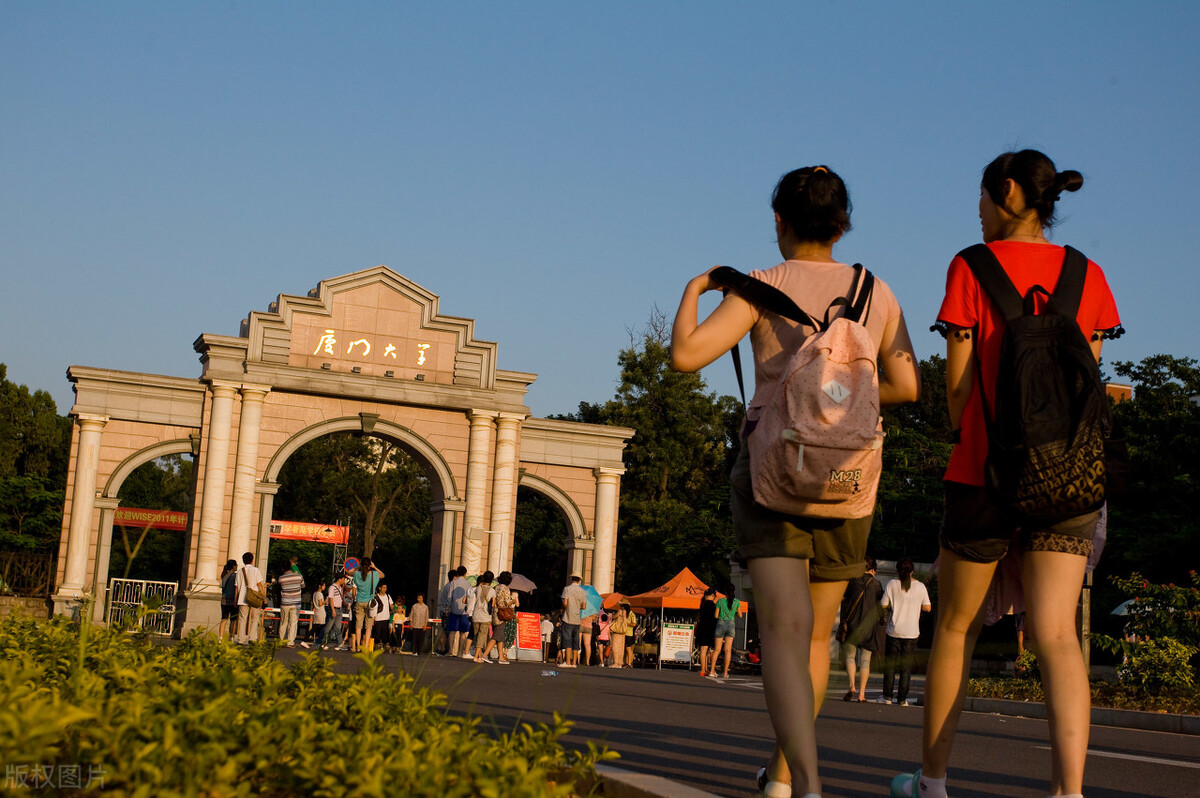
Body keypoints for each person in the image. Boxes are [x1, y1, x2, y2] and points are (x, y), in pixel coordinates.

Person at [671, 165, 919, 798]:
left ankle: (802, 784)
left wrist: (697, 288)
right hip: (847, 477)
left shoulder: (761, 287)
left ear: (779, 221)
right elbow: (906, 385)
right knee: (815, 636)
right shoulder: (877, 292)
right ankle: (782, 777)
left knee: (782, 628)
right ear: (842, 223)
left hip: (773, 473)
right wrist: (840, 400)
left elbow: (686, 356)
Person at [892, 150, 1121, 798]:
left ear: (1010, 193)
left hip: (983, 473)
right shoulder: (1088, 274)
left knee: (956, 628)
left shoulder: (971, 266)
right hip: (1068, 480)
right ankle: (1069, 792)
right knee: (1058, 636)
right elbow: (1087, 385)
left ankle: (934, 783)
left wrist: (971, 422)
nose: (978, 210)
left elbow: (959, 391)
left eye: (983, 196)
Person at [877, 558, 930, 706]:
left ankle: (887, 697)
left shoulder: (892, 584)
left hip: (894, 630)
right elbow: (927, 607)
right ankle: (902, 699)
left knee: (890, 666)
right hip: (912, 632)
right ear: (912, 571)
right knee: (906, 667)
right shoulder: (920, 586)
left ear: (897, 570)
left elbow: (883, 604)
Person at [840, 557, 884, 702]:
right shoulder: (877, 584)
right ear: (873, 569)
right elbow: (881, 606)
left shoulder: (852, 582)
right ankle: (862, 694)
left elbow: (844, 601)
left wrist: (843, 621)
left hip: (852, 625)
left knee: (850, 657)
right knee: (865, 661)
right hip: (869, 628)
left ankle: (852, 686)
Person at [350, 557, 384, 652]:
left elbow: (349, 571)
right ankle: (366, 646)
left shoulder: (357, 574)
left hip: (359, 601)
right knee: (368, 626)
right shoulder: (374, 574)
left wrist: (357, 566)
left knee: (358, 625)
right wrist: (374, 567)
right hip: (370, 603)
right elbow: (383, 575)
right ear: (370, 565)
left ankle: (358, 646)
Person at [708, 582, 741, 679]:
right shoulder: (737, 602)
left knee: (717, 650)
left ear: (725, 591)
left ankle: (712, 671)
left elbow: (716, 615)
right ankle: (726, 673)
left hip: (721, 624)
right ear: (734, 591)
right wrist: (733, 612)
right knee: (728, 650)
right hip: (731, 624)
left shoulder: (720, 601)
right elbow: (740, 615)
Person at [482, 571, 515, 664]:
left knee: (500, 637)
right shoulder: (506, 589)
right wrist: (513, 601)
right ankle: (485, 654)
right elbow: (507, 603)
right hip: (502, 614)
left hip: (494, 613)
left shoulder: (495, 587)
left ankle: (500, 657)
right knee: (496, 636)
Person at [236, 552, 266, 645]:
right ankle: (252, 638)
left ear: (243, 560)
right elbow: (259, 584)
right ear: (252, 560)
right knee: (255, 618)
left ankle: (241, 639)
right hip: (254, 598)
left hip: (242, 598)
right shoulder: (256, 570)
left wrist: (235, 599)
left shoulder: (239, 571)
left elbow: (236, 587)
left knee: (242, 619)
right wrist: (263, 597)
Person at [277, 557, 305, 648]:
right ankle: (290, 642)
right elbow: (303, 585)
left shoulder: (281, 579)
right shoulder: (298, 577)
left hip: (285, 603)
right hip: (296, 603)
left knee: (283, 622)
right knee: (293, 623)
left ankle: (282, 641)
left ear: (282, 569)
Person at [560, 575, 587, 668]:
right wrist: (577, 606)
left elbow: (565, 603)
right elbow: (584, 607)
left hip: (568, 617)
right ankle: (574, 663)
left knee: (567, 639)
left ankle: (567, 661)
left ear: (571, 579)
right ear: (579, 580)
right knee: (576, 641)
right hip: (577, 619)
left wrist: (564, 607)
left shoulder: (567, 589)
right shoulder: (583, 591)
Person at [446, 565, 472, 658]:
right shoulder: (468, 584)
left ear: (457, 573)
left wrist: (448, 607)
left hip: (454, 609)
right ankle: (460, 652)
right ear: (465, 574)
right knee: (463, 632)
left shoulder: (453, 582)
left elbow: (449, 596)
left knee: (452, 631)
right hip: (464, 611)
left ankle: (450, 651)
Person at [470, 571, 495, 662]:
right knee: (482, 636)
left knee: (477, 636)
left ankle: (479, 656)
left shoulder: (478, 588)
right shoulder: (492, 591)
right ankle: (476, 656)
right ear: (491, 580)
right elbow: (493, 604)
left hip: (476, 615)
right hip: (485, 616)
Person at [695, 586, 717, 677]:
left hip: (702, 627)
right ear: (712, 595)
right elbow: (715, 618)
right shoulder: (712, 605)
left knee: (704, 649)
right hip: (709, 628)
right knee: (705, 650)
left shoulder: (703, 604)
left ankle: (705, 669)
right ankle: (703, 670)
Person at [368, 583, 393, 652]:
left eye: (386, 588)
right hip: (378, 618)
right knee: (377, 633)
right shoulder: (376, 597)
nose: (385, 589)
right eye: (383, 587)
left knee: (385, 634)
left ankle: (385, 646)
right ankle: (376, 646)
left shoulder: (388, 596)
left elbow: (391, 605)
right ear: (379, 588)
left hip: (386, 618)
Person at [218, 559, 239, 642]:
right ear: (233, 566)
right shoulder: (235, 576)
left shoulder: (224, 575)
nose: (237, 566)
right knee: (233, 620)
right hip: (233, 600)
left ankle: (220, 638)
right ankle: (231, 637)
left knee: (223, 619)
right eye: (236, 565)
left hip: (224, 600)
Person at [322, 575, 345, 649]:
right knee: (328, 627)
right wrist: (332, 610)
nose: (344, 581)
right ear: (339, 579)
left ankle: (340, 643)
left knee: (338, 627)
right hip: (333, 609)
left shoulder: (340, 588)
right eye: (343, 579)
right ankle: (324, 643)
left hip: (339, 609)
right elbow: (331, 599)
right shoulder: (332, 587)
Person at [307, 578, 327, 649]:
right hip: (321, 612)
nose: (324, 587)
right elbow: (320, 603)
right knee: (322, 627)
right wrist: (326, 601)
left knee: (316, 626)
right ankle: (319, 641)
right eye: (323, 585)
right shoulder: (320, 594)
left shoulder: (314, 593)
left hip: (316, 612)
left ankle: (309, 637)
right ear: (320, 586)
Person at [609, 603, 629, 669]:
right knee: (621, 648)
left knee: (615, 647)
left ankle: (615, 662)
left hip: (617, 631)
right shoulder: (627, 612)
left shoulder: (620, 611)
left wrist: (612, 615)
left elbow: (614, 617)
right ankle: (619, 663)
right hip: (622, 632)